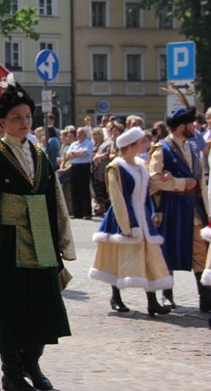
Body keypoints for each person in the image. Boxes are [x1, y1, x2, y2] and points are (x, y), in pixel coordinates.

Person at [0, 76, 75, 391]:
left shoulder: (40, 156)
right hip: (9, 239)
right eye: (16, 118)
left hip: (41, 237)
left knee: (43, 302)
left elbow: (56, 200)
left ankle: (32, 363)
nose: (23, 122)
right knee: (12, 307)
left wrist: (63, 241)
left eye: (27, 117)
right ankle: (11, 371)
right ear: (2, 122)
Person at [88, 127, 173, 316]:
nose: (145, 144)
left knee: (150, 257)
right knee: (118, 256)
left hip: (142, 216)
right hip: (123, 216)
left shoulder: (142, 165)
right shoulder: (115, 167)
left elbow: (148, 190)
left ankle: (152, 301)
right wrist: (126, 225)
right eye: (142, 142)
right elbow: (117, 198)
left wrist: (166, 180)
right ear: (131, 145)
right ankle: (115, 297)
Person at [148, 106, 211, 313]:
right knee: (169, 250)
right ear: (182, 126)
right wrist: (180, 183)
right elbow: (153, 179)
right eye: (192, 123)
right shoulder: (161, 149)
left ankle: (206, 298)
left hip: (193, 208)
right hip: (172, 207)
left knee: (201, 251)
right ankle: (167, 295)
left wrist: (208, 212)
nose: (195, 127)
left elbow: (201, 183)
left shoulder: (193, 149)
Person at [65, 127, 94, 219]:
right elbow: (68, 155)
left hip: (84, 167)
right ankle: (77, 213)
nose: (78, 135)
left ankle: (86, 213)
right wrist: (77, 154)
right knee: (75, 189)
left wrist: (74, 154)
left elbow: (85, 153)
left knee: (84, 190)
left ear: (85, 135)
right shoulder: (74, 144)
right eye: (77, 133)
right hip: (74, 167)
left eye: (80, 133)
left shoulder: (88, 143)